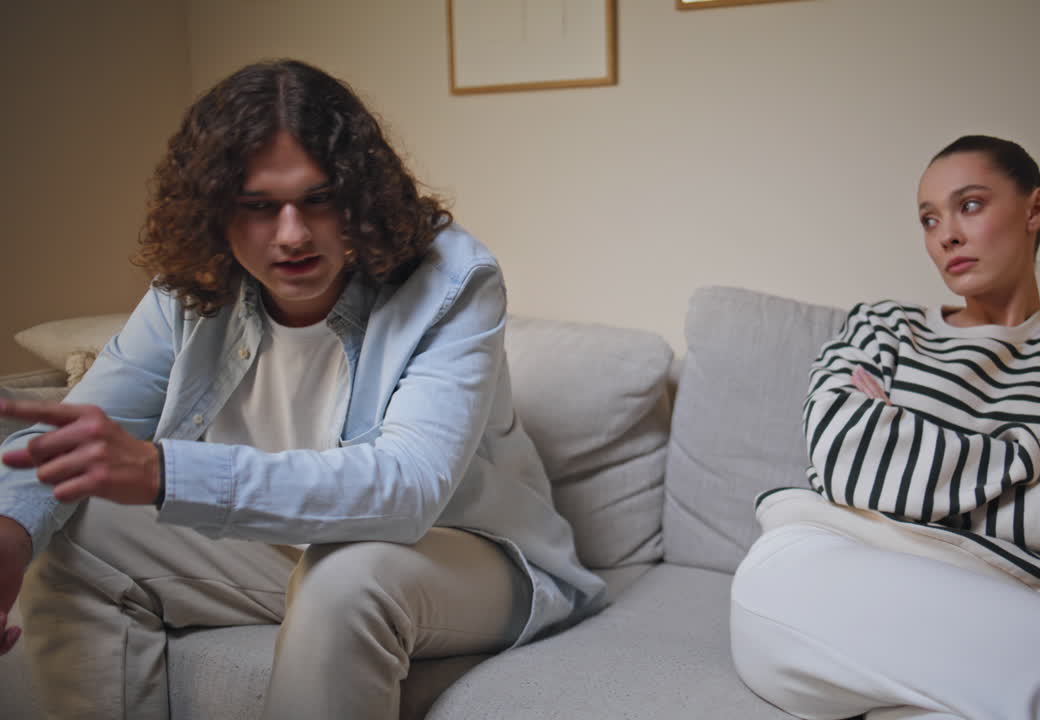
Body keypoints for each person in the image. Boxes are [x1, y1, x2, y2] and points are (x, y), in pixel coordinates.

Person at [0, 59, 604, 720]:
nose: (292, 236)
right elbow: (71, 440)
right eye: (259, 208)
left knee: (347, 577)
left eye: (318, 199)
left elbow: (408, 489)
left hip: (466, 553)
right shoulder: (191, 289)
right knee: (74, 524)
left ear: (360, 195)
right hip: (290, 543)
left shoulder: (455, 280)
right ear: (214, 210)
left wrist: (163, 471)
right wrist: (9, 531)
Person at [729, 135, 1040, 720]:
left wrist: (905, 464)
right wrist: (1036, 459)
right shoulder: (883, 327)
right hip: (824, 576)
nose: (944, 234)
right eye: (929, 219)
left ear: (1035, 209)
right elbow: (844, 459)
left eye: (969, 205)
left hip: (1016, 616)